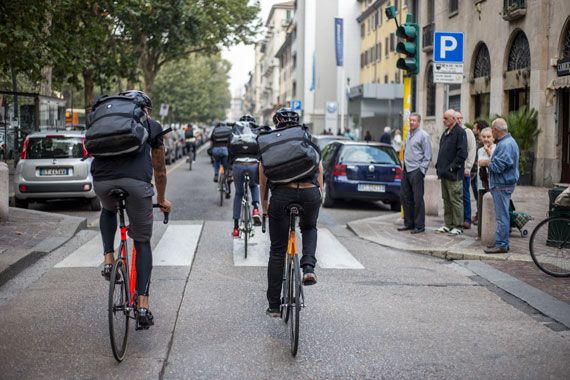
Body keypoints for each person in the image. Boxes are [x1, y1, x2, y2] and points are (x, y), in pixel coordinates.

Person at [93, 90, 172, 328]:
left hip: (102, 181)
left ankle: (108, 258)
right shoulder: (152, 125)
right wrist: (162, 198)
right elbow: (159, 169)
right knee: (142, 241)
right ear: (145, 109)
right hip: (137, 185)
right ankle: (144, 305)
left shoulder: (104, 122)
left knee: (108, 211)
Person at [259, 107, 324, 318]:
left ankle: (274, 306)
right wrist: (318, 194)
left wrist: (264, 203)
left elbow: (263, 177)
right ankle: (308, 269)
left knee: (277, 251)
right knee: (309, 226)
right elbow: (319, 169)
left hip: (281, 196)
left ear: (276, 123)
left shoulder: (270, 142)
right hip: (309, 194)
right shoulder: (306, 137)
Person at [483, 118, 519, 254]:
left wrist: (487, 163)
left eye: (492, 130)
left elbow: (498, 167)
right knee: (502, 215)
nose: (492, 133)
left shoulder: (505, 144)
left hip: (502, 184)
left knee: (502, 216)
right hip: (503, 183)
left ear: (496, 131)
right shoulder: (509, 142)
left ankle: (502, 244)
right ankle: (502, 243)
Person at [397, 113, 432, 234]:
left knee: (418, 199)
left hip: (416, 170)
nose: (411, 122)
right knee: (405, 197)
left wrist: (422, 171)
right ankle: (409, 223)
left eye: (414, 121)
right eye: (410, 120)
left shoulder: (424, 136)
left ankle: (420, 226)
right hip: (406, 170)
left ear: (419, 122)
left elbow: (428, 156)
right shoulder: (408, 134)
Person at [435, 109, 468, 236]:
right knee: (446, 200)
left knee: (455, 200)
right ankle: (448, 224)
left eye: (446, 118)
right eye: (443, 118)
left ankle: (457, 226)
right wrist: (439, 166)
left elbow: (462, 154)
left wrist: (452, 168)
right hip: (443, 173)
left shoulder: (460, 133)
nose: (443, 120)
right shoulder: (446, 132)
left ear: (454, 119)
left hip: (454, 174)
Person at [229, 118, 262, 238]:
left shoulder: (235, 134)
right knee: (253, 185)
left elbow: (230, 152)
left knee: (238, 194)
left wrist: (229, 168)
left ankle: (236, 228)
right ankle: (256, 209)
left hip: (238, 165)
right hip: (253, 165)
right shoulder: (256, 133)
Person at [456, 111, 476, 230]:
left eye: (460, 118)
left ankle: (467, 219)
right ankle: (458, 218)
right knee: (455, 195)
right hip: (454, 170)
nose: (458, 120)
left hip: (464, 170)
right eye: (456, 118)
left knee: (465, 194)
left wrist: (467, 167)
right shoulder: (451, 131)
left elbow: (472, 150)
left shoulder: (467, 132)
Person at [475, 126, 496, 238]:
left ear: (493, 138)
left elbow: (493, 163)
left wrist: (489, 154)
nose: (486, 139)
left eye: (488, 137)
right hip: (481, 183)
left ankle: (491, 234)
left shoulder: (496, 148)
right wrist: (487, 161)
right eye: (484, 137)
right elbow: (480, 163)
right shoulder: (480, 150)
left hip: (493, 183)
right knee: (481, 208)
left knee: (492, 209)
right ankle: (480, 233)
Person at [471, 119, 488, 225]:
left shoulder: (483, 144)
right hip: (473, 173)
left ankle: (481, 216)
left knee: (480, 195)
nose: (473, 130)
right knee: (477, 196)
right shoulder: (476, 142)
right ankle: (479, 213)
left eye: (474, 128)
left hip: (480, 173)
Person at [211, 122, 231, 187]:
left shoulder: (215, 130)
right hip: (225, 150)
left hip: (216, 150)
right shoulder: (228, 130)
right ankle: (225, 177)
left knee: (216, 162)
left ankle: (216, 174)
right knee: (226, 167)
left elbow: (211, 141)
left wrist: (211, 151)